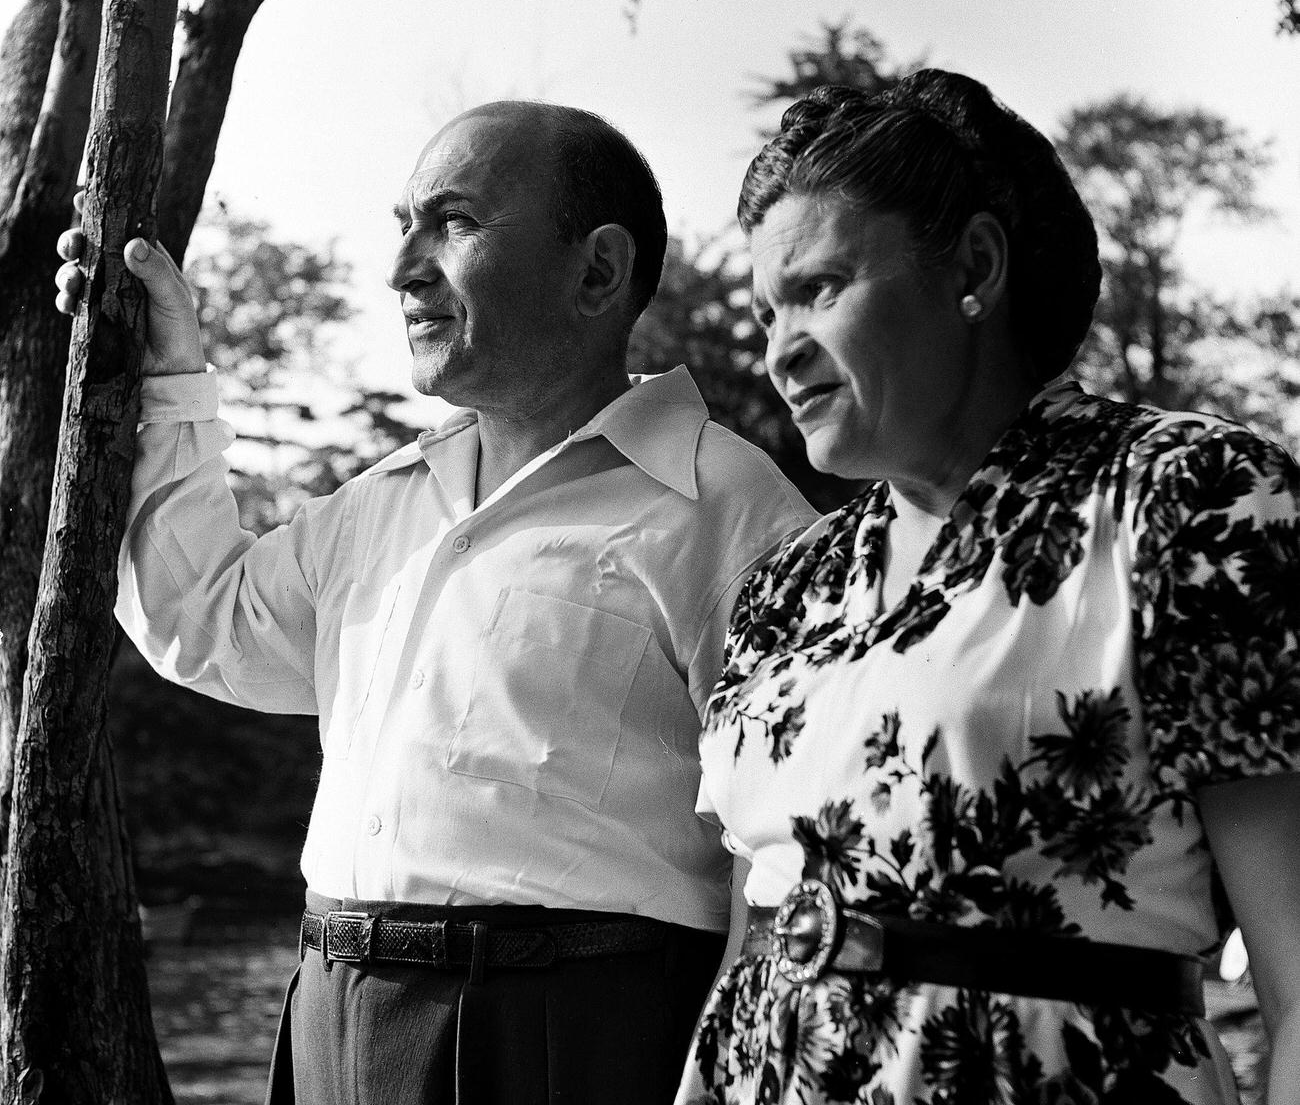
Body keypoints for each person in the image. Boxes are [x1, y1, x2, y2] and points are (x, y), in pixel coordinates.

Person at [55, 101, 815, 1104]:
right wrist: (169, 369)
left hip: (572, 1038)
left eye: (451, 223)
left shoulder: (733, 508)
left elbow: (792, 858)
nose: (402, 266)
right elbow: (201, 617)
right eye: (402, 224)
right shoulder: (380, 502)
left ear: (597, 268)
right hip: (329, 1011)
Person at [674, 72, 1300, 1105]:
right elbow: (765, 927)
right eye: (763, 308)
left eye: (819, 288)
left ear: (974, 264)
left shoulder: (1189, 499)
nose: (778, 348)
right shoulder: (788, 585)